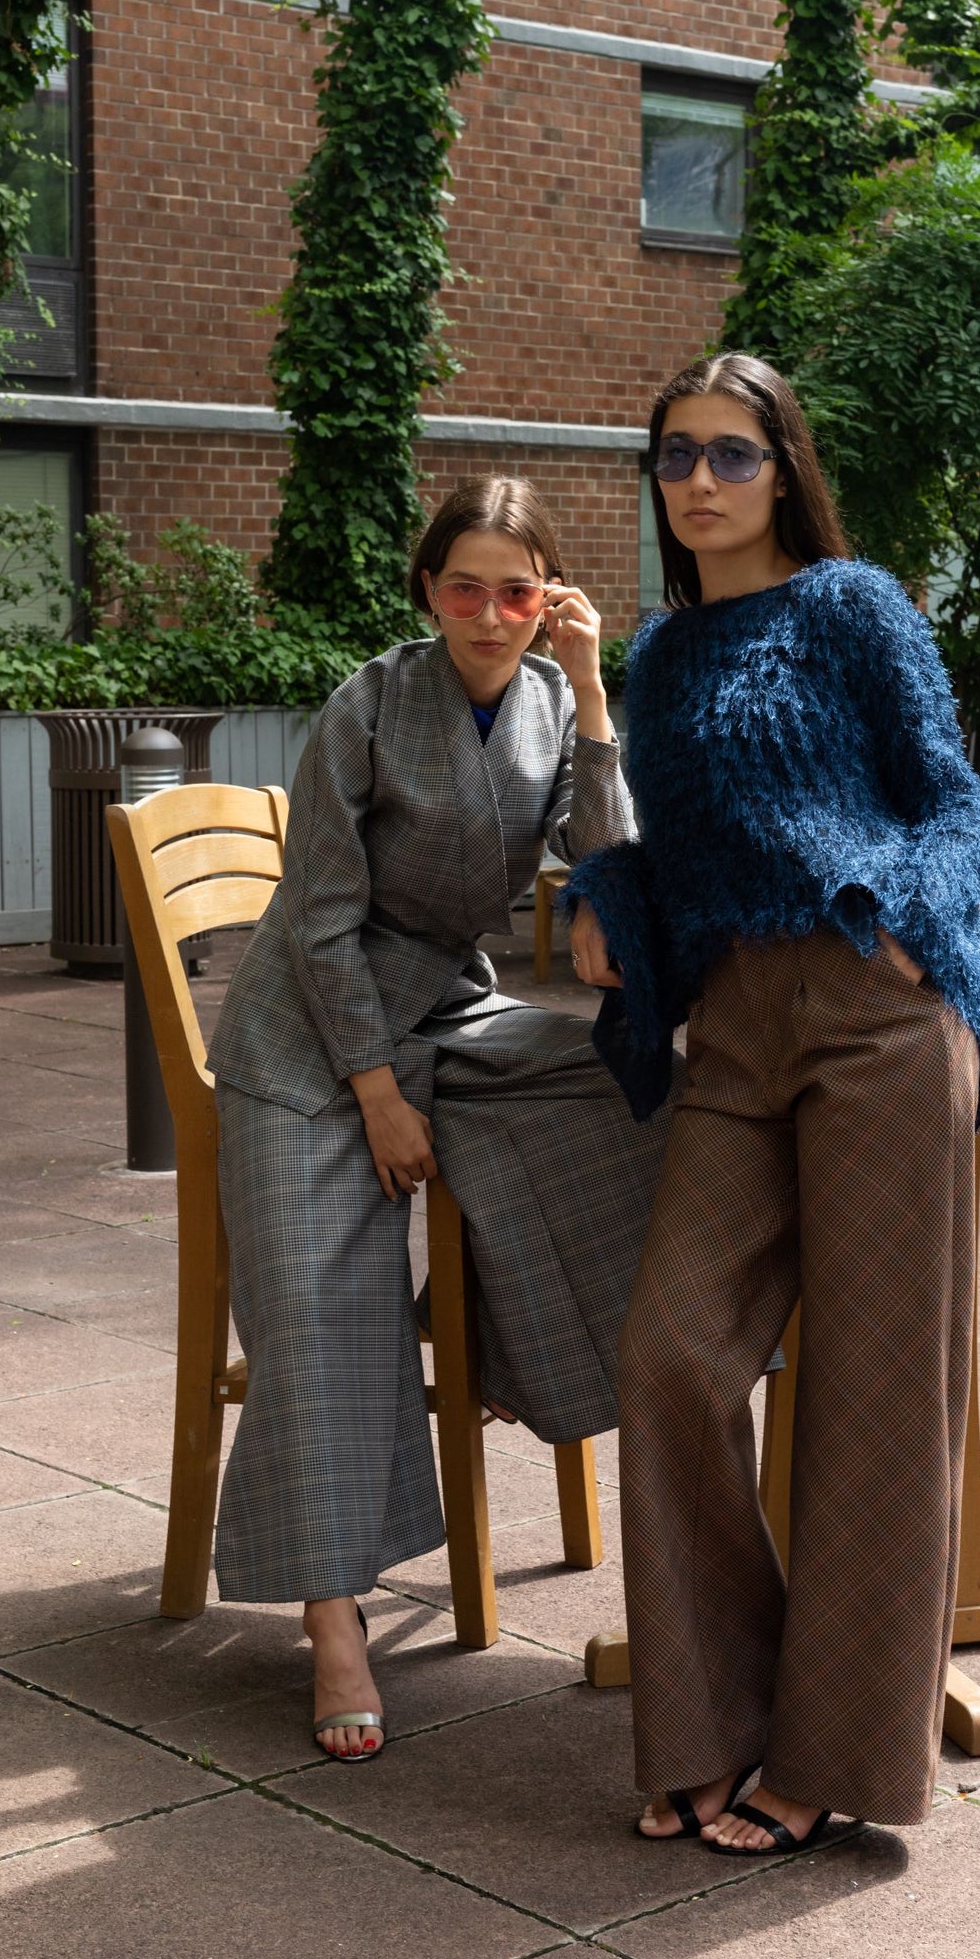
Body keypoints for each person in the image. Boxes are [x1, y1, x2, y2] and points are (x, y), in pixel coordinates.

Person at [564, 354, 980, 1854]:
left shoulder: (854, 606)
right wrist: (605, 894)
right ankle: (710, 1721)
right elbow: (677, 856)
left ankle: (835, 1759)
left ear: (781, 469)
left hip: (878, 1012)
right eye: (675, 453)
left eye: (731, 455)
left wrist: (902, 912)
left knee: (878, 1398)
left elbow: (954, 798)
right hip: (740, 1029)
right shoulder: (663, 655)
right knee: (671, 1357)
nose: (697, 480)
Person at [208, 476, 668, 1763]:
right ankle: (332, 1619)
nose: (488, 611)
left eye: (516, 589)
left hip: (449, 1008)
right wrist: (374, 1093)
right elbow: (314, 917)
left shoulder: (542, 702)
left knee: (635, 1092)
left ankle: (496, 1336)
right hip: (308, 1033)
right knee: (313, 1294)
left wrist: (589, 694)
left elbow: (612, 864)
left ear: (548, 596)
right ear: (427, 589)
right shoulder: (367, 702)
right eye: (462, 584)